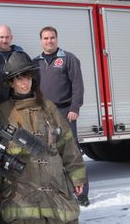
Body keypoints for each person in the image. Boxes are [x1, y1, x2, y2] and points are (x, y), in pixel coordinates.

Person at [0, 51, 87, 224]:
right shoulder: (3, 112)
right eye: (19, 78)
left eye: (28, 77)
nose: (25, 83)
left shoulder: (48, 107)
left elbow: (67, 143)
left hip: (55, 188)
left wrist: (77, 175)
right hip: (22, 193)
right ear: (11, 82)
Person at [33, 26, 90, 207]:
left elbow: (78, 85)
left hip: (66, 112)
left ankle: (82, 194)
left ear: (57, 39)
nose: (49, 41)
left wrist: (75, 107)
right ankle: (56, 193)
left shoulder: (68, 59)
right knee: (49, 154)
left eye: (52, 38)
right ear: (40, 40)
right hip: (45, 114)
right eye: (45, 38)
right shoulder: (35, 62)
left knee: (72, 152)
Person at [0, 25, 24, 105]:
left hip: (18, 103)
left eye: (7, 37)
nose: (4, 40)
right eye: (1, 37)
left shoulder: (21, 55)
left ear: (11, 37)